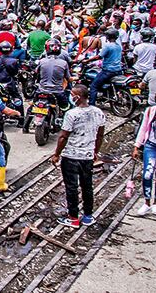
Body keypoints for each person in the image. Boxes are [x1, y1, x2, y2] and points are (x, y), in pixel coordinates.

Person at [51, 85, 106, 228]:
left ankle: (73, 218)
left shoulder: (71, 114)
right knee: (87, 186)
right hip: (87, 156)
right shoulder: (98, 112)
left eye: (72, 94)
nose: (71, 96)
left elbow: (63, 136)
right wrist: (95, 151)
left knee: (71, 187)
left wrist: (56, 154)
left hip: (71, 156)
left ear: (78, 97)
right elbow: (100, 135)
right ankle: (88, 216)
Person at [83, 28, 122, 105]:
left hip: (108, 71)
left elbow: (99, 57)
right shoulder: (118, 46)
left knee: (94, 86)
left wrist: (87, 61)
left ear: (108, 37)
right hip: (118, 70)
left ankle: (91, 105)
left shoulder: (108, 46)